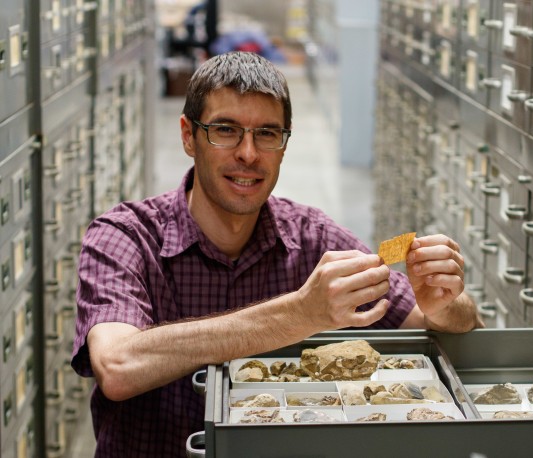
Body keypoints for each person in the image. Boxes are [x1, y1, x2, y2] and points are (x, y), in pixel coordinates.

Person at [71, 51, 483, 457]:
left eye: (267, 134)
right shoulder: (124, 236)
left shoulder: (313, 237)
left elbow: (450, 330)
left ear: (284, 144)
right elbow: (118, 367)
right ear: (187, 136)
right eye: (225, 130)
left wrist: (446, 305)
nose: (248, 154)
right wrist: (302, 313)